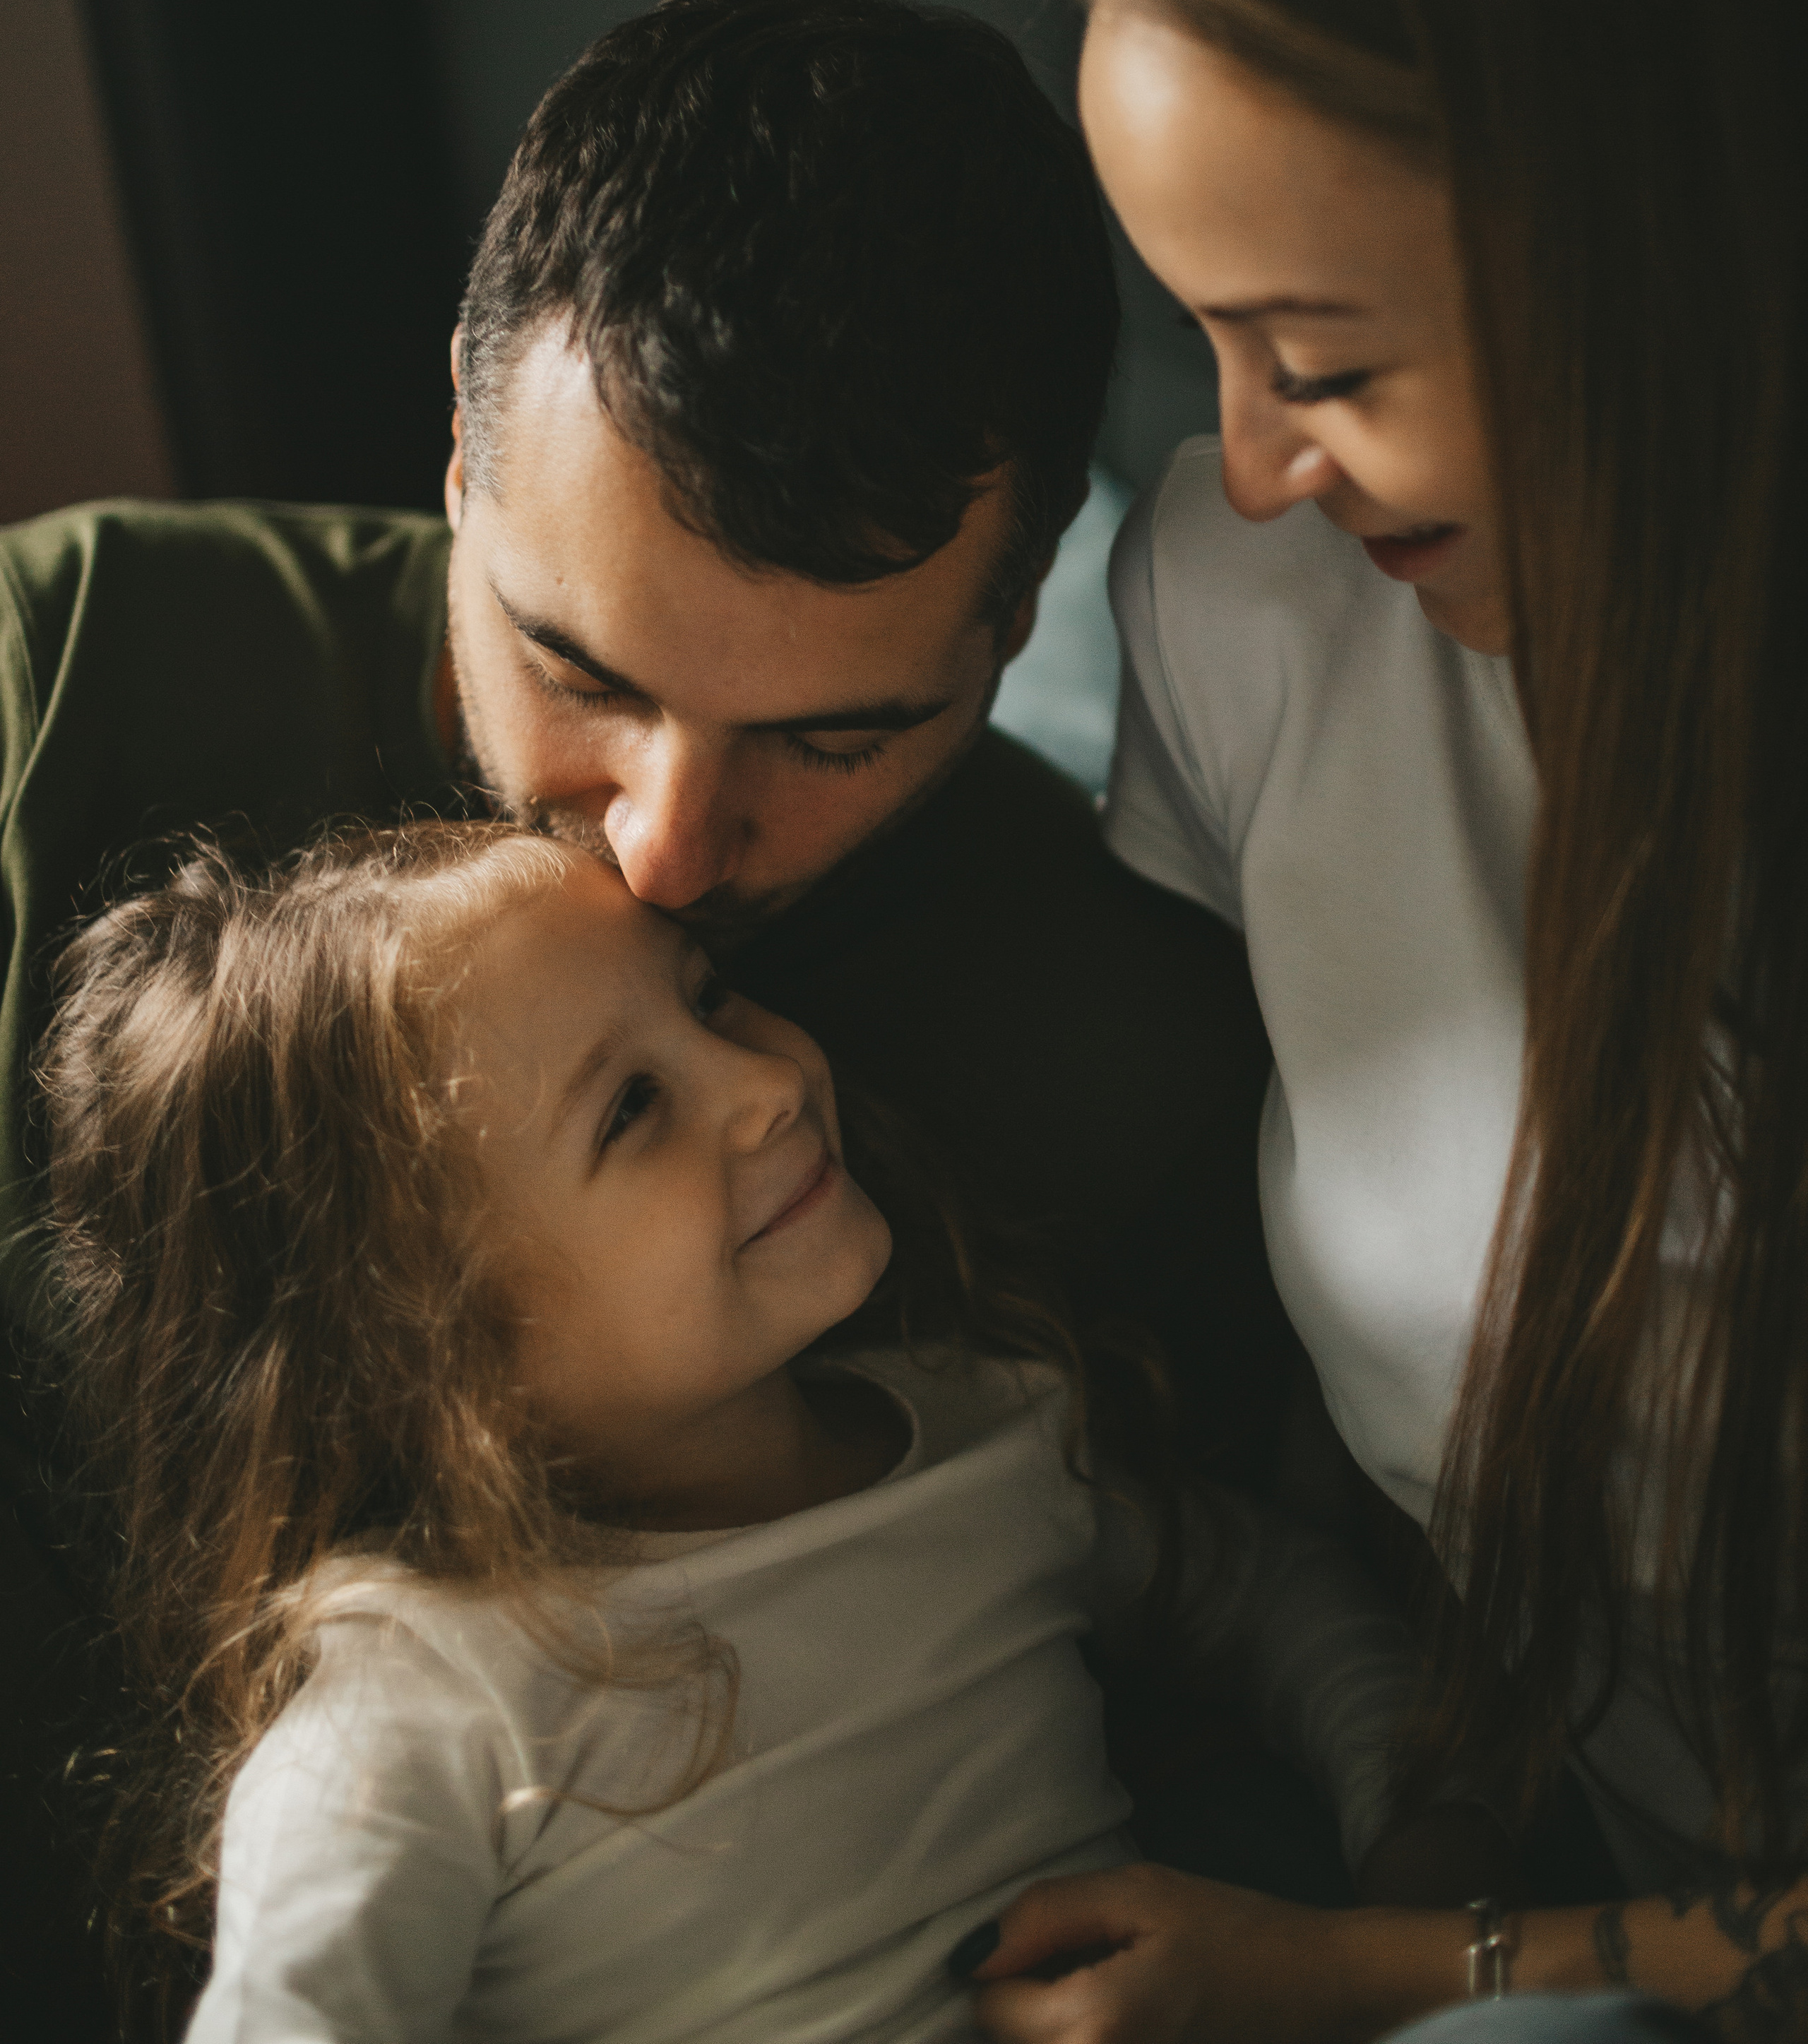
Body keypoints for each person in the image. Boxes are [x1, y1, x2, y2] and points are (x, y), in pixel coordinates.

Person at [0, 0, 1283, 2028]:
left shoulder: (1108, 1047)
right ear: (457, 449)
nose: (668, 855)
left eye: (834, 736)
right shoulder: (59, 688)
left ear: (1013, 618)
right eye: (581, 673)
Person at [943, 0, 1808, 2039]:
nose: (1235, 465)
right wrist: (1435, 1792)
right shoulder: (1248, 605)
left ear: (1657, 268)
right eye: (1194, 338)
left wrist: (1381, 1964)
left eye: (1319, 361)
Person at [39, 819, 1410, 2041]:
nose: (763, 1081)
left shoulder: (991, 1434)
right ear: (436, 1355)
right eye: (631, 1108)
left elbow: (1259, 1591)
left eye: (707, 997)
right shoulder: (425, 1693)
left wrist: (1412, 1845)